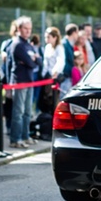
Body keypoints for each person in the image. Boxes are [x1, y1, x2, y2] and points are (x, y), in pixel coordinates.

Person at [8, 16, 41, 148]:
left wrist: (33, 59)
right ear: (19, 29)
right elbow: (31, 63)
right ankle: (15, 139)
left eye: (29, 28)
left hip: (30, 81)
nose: (28, 31)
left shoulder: (28, 44)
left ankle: (25, 136)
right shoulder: (17, 44)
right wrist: (32, 59)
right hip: (20, 81)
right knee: (18, 112)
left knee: (28, 111)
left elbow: (39, 62)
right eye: (25, 28)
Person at [40, 26, 65, 110]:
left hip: (55, 77)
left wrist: (55, 72)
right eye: (45, 37)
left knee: (53, 98)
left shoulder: (59, 48)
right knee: (46, 97)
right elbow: (45, 62)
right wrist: (43, 74)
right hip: (47, 76)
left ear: (55, 37)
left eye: (48, 37)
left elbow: (60, 61)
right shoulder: (47, 47)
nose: (46, 39)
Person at [60, 24, 78, 95]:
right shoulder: (64, 44)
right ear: (74, 33)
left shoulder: (69, 44)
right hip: (65, 76)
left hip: (68, 76)